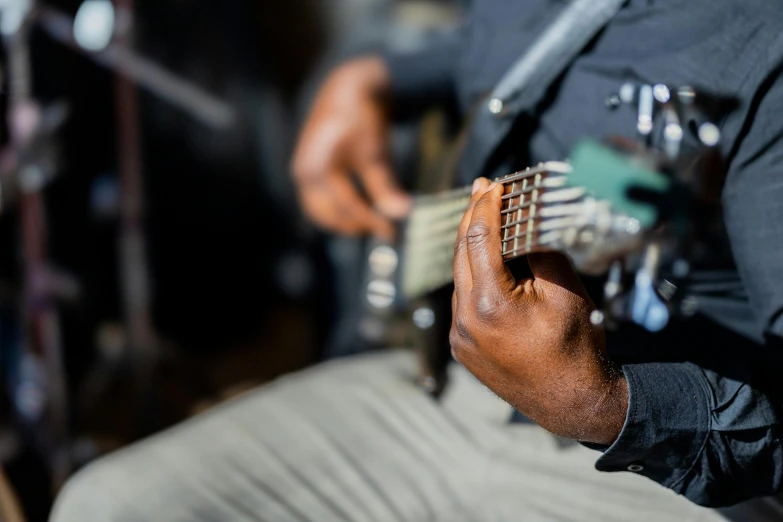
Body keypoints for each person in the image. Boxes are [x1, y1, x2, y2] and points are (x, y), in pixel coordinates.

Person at [51, 0, 783, 520]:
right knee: (105, 504)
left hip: (673, 474)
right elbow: (501, 40)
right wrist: (376, 77)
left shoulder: (762, 46)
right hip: (444, 391)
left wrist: (608, 407)